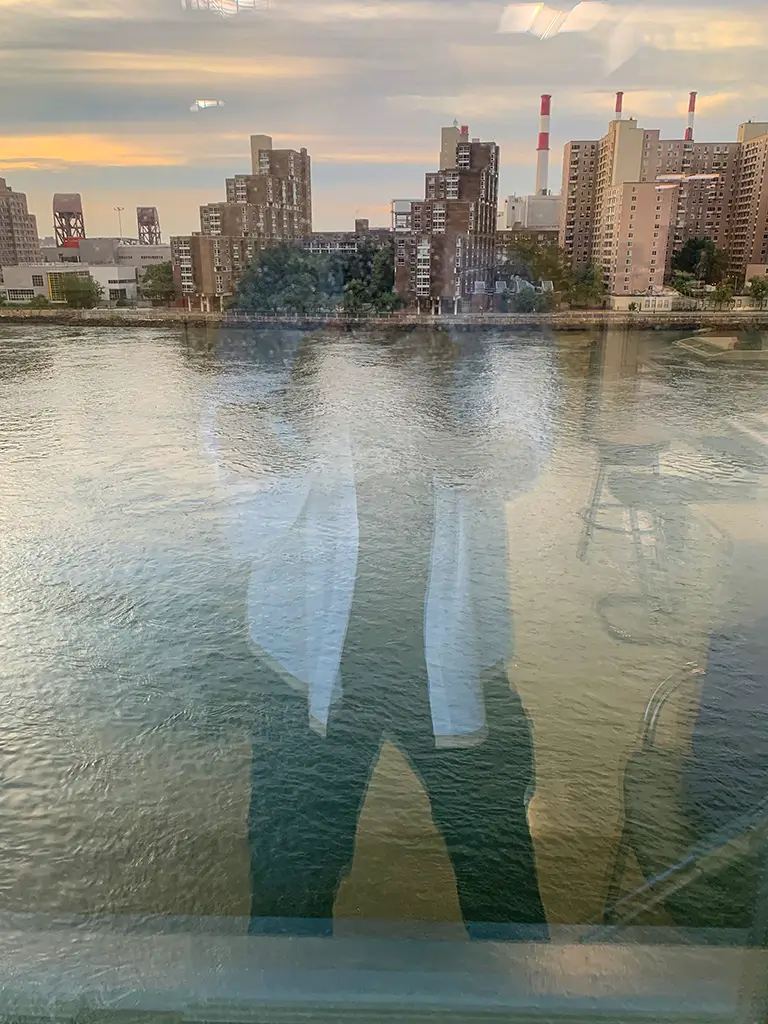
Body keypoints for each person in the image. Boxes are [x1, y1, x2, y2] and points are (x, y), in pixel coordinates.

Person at [203, 326, 554, 938]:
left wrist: (426, 395)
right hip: (306, 673)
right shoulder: (288, 349)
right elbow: (234, 448)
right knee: (290, 892)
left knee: (501, 886)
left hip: (456, 666)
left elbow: (520, 457)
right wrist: (316, 389)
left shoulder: (478, 348)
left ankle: (521, 983)